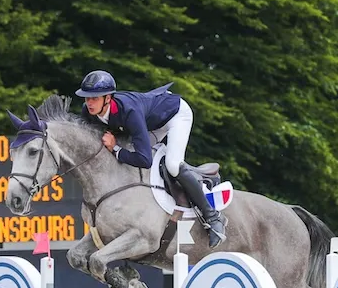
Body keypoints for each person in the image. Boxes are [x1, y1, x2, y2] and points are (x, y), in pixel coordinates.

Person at [74, 70, 226, 248]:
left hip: (175, 114)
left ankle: (213, 217)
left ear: (108, 98)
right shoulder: (88, 112)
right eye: (87, 98)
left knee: (173, 165)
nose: (89, 103)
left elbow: (145, 160)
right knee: (129, 156)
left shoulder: (129, 112)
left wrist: (115, 148)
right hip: (150, 122)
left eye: (95, 98)